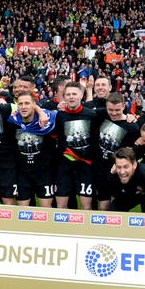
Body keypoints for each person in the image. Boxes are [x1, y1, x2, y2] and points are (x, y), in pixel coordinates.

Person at [8, 90, 57, 207]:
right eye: (20, 104)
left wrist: (41, 112)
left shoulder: (47, 121)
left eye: (27, 103)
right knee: (22, 212)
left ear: (34, 105)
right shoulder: (12, 122)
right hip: (22, 173)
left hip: (43, 173)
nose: (23, 107)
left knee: (46, 210)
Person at [54, 81, 98, 210]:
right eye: (68, 94)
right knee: (61, 206)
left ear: (81, 95)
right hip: (64, 166)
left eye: (74, 94)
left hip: (85, 166)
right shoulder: (58, 116)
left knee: (87, 207)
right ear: (64, 96)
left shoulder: (91, 115)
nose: (71, 97)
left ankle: (86, 230)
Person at [108, 147, 145, 213]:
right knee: (113, 213)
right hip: (129, 194)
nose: (122, 172)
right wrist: (111, 175)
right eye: (119, 167)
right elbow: (113, 193)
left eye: (126, 167)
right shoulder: (114, 173)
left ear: (134, 165)